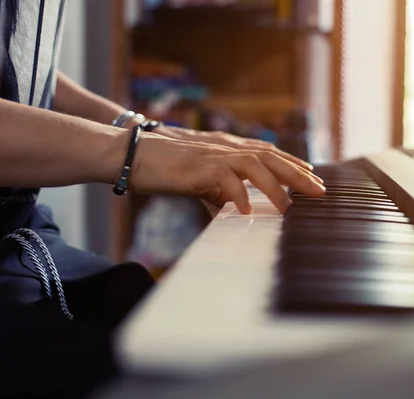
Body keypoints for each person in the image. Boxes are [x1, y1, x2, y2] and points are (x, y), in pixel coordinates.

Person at [0, 1, 325, 397]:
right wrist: (134, 153)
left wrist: (145, 129)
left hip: (22, 229)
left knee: (190, 336)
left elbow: (19, 58)